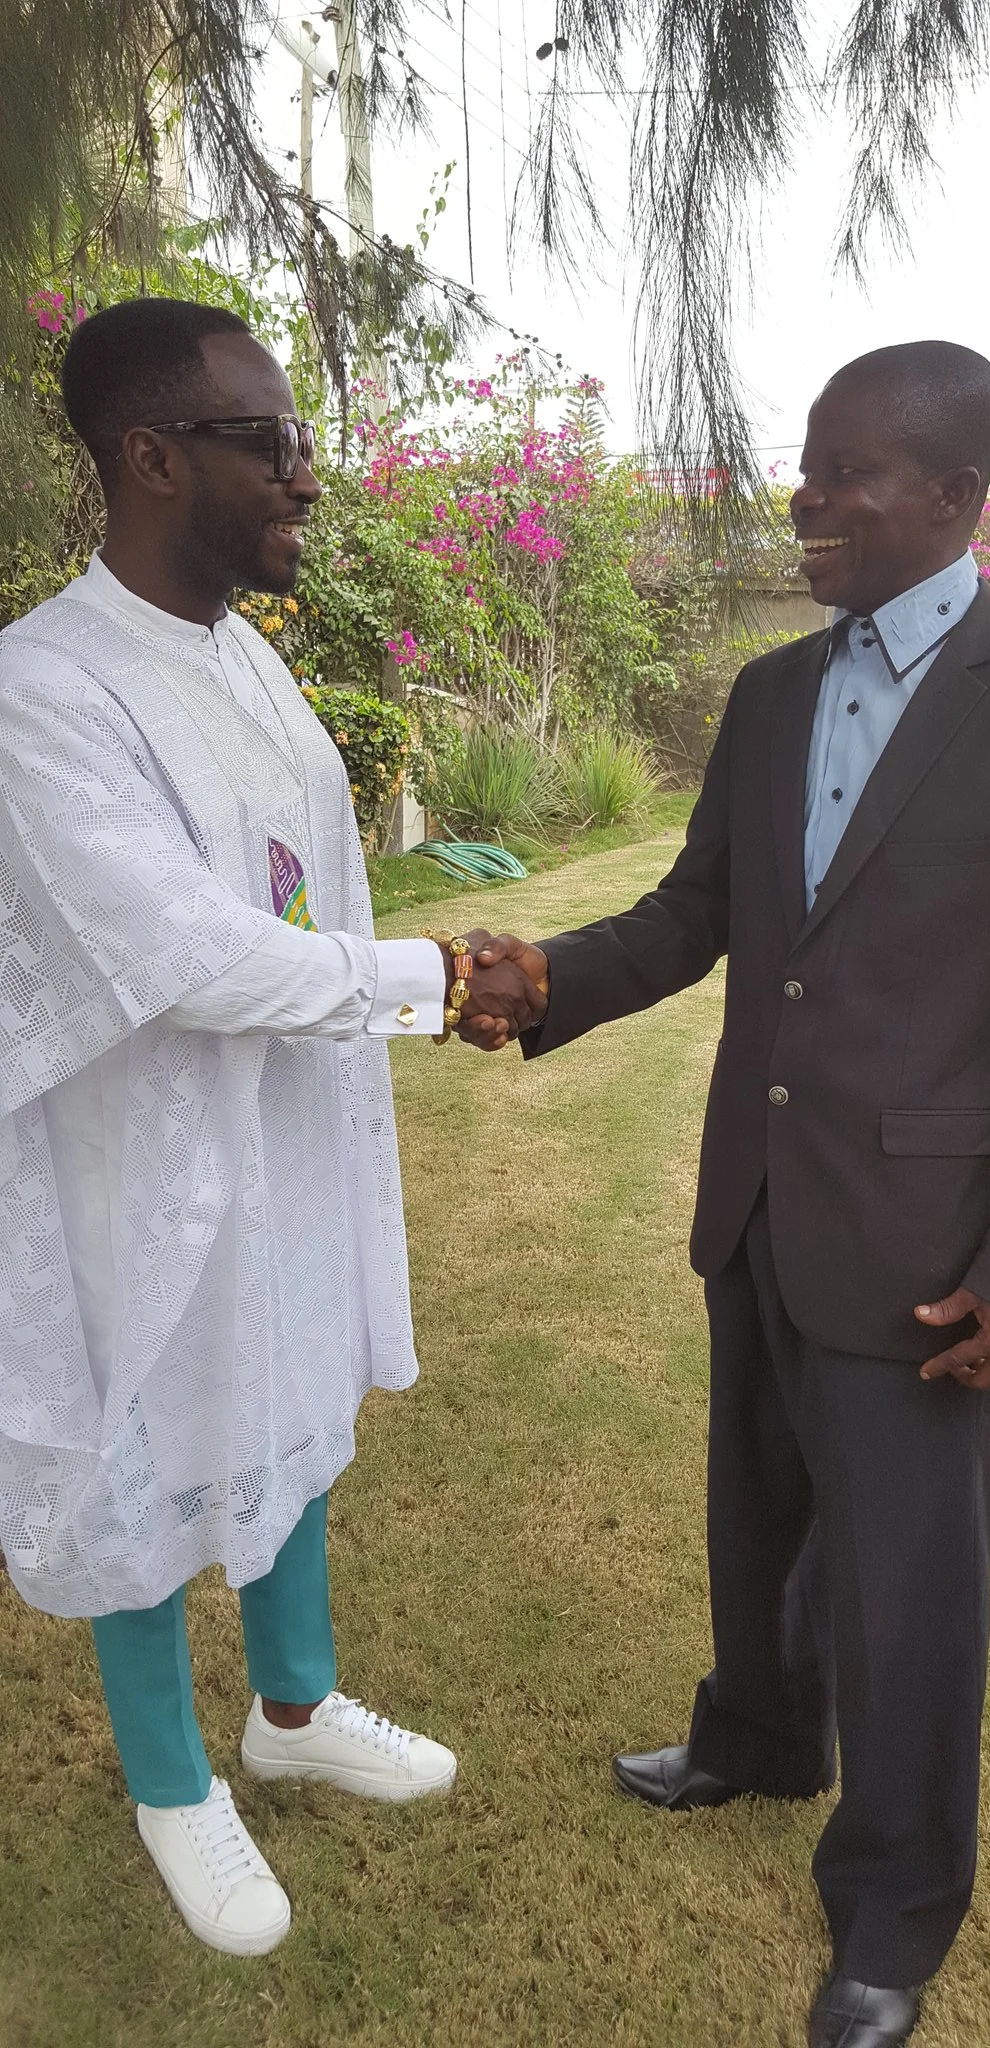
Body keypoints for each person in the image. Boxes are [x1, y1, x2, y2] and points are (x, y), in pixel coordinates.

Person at [461, 342, 990, 2046]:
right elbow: (694, 915)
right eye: (809, 465)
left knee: (909, 1588)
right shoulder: (773, 694)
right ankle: (756, 1743)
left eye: (849, 473)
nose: (809, 501)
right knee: (755, 1508)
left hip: (928, 1250)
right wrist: (546, 975)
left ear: (957, 497)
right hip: (759, 1198)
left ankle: (896, 1909)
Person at [0, 297, 544, 1956]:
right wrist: (435, 978)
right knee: (150, 1437)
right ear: (152, 458)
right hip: (140, 1165)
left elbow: (296, 885)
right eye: (275, 444)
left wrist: (389, 986)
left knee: (295, 1375)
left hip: (288, 1133)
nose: (310, 478)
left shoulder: (242, 654)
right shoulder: (44, 686)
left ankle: (292, 1712)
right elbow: (178, 946)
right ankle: (176, 1782)